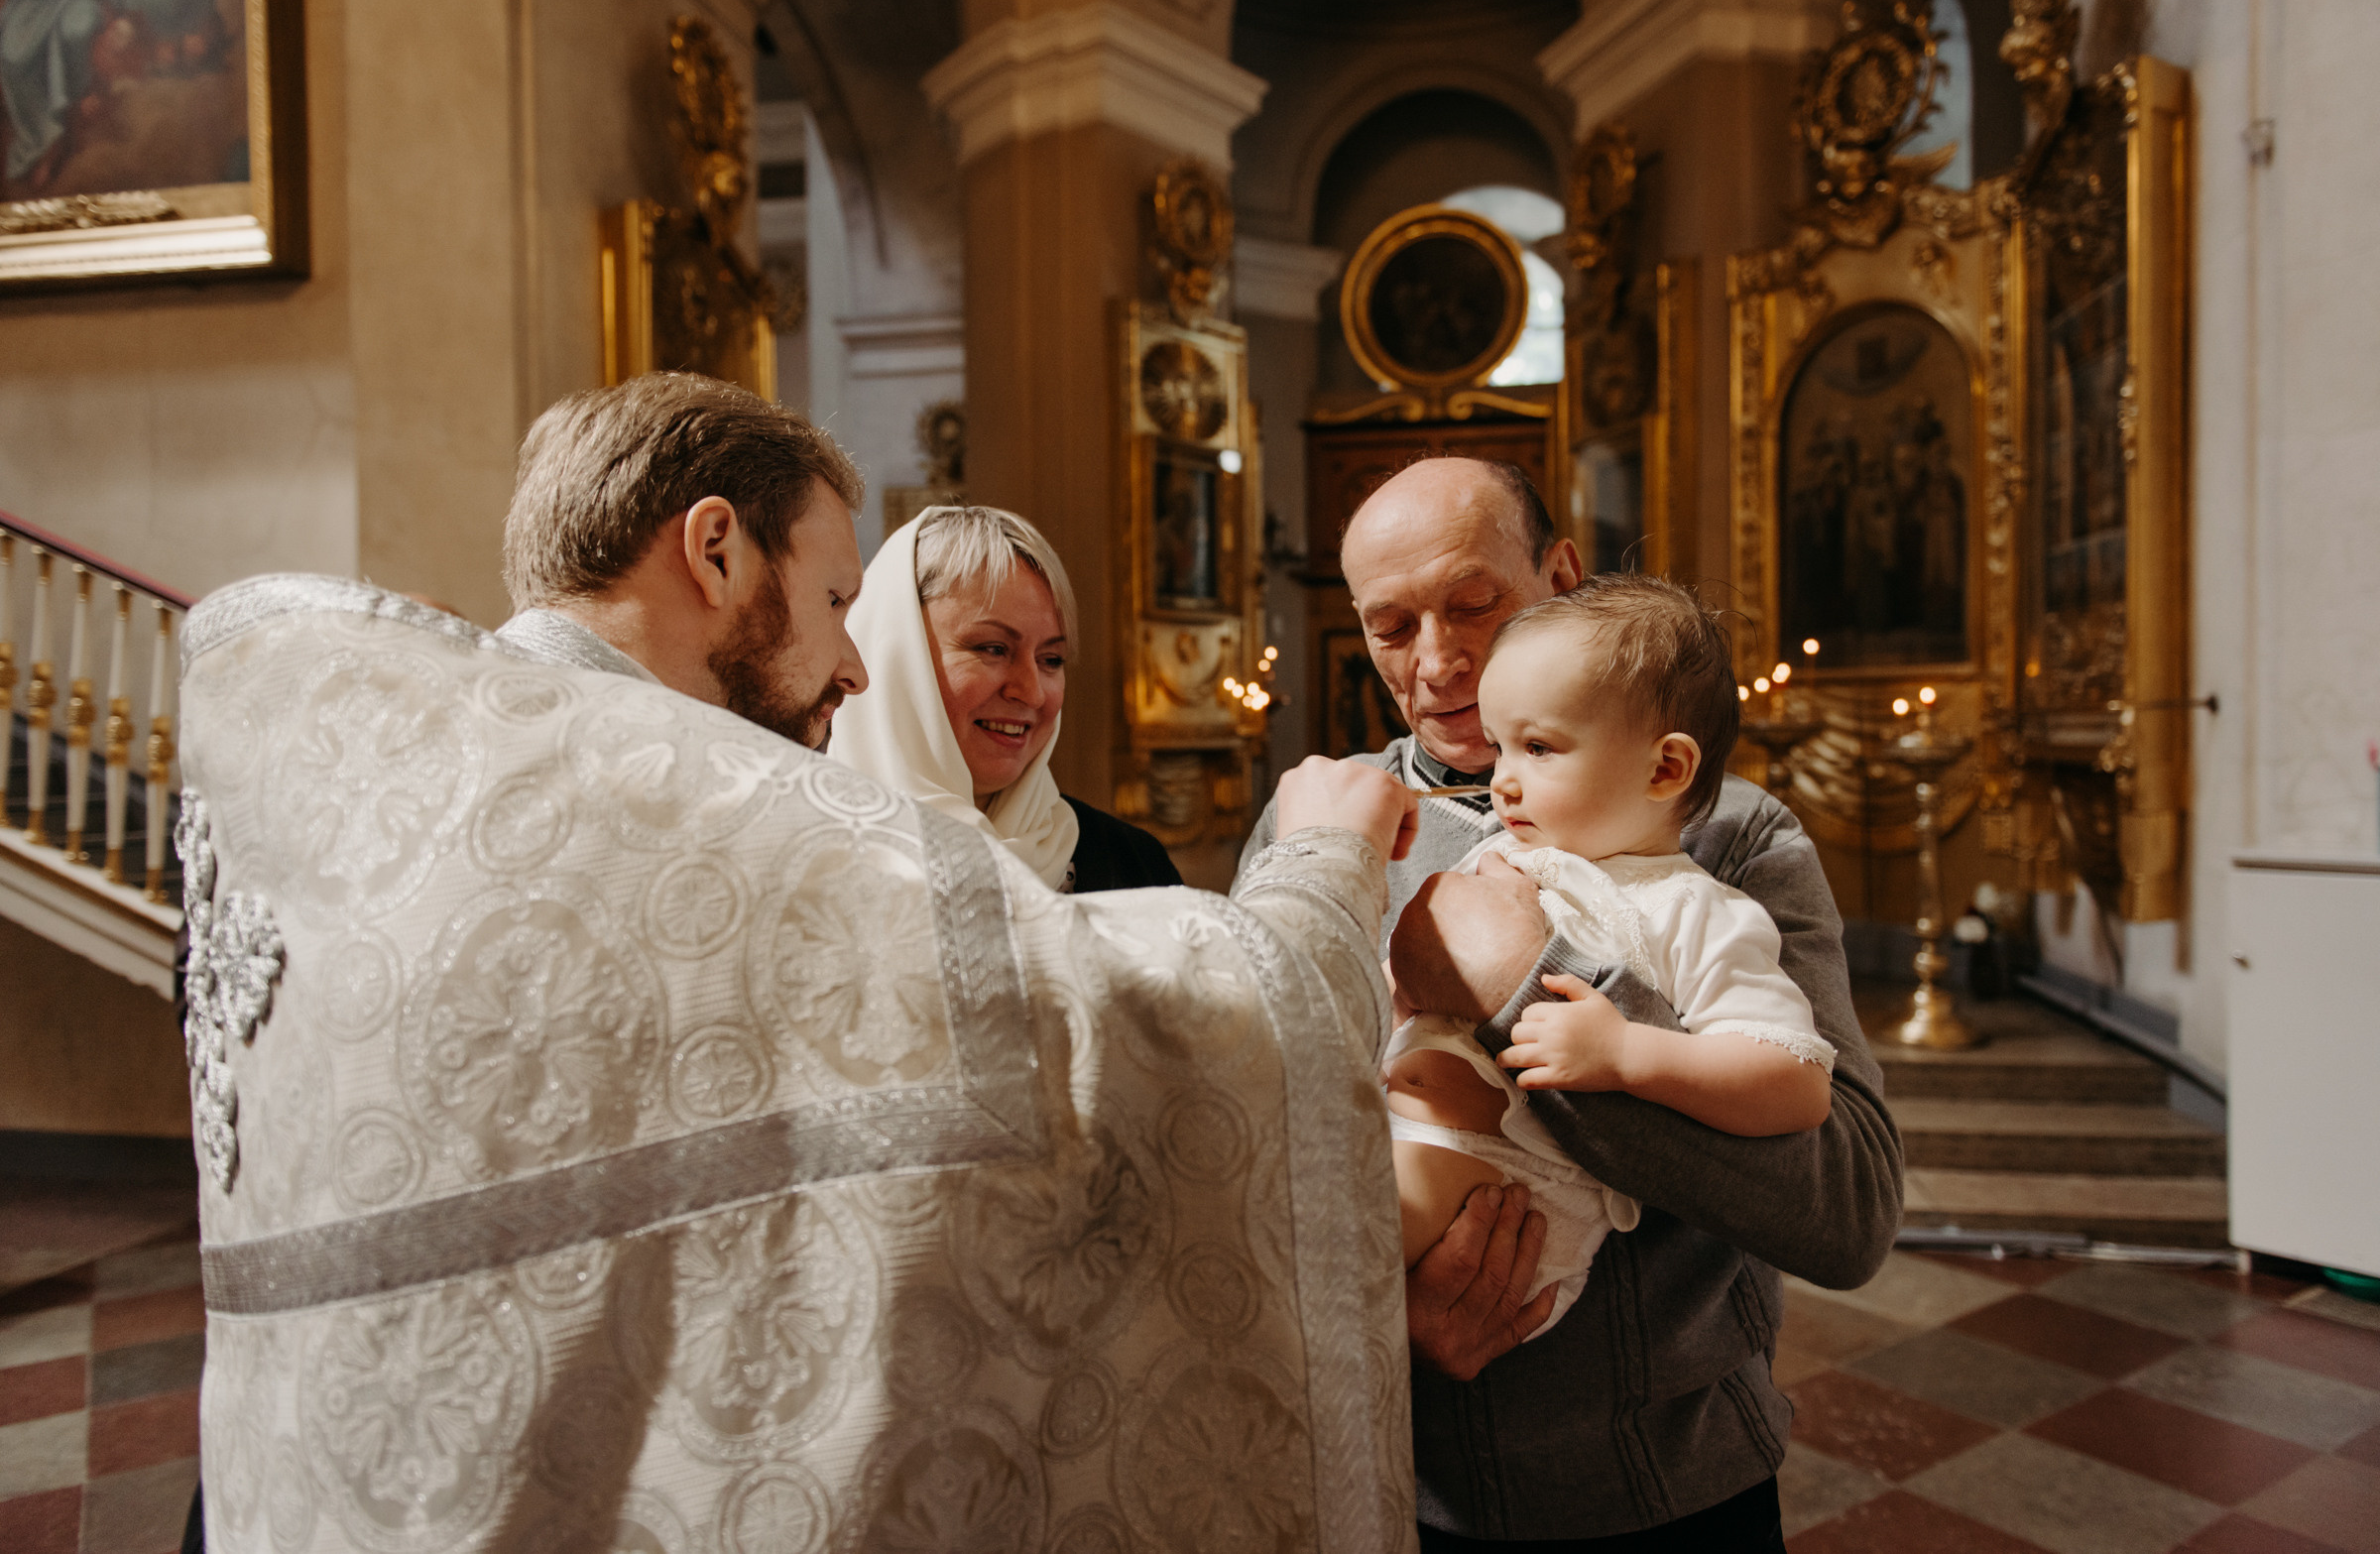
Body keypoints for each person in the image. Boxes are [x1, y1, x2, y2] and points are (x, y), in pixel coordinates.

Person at [177, 374, 1427, 1552]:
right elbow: (1125, 1025)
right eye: (836, 600)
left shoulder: (420, 785)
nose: (850, 662)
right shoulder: (680, 811)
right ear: (715, 549)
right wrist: (1320, 869)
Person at [1239, 455, 1903, 1550]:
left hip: (1664, 1485)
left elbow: (1848, 1212)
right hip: (1382, 1480)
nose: (1440, 663)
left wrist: (1518, 978)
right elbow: (1246, 1138)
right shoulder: (1319, 822)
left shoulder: (1724, 830)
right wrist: (1383, 1321)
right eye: (1390, 626)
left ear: (1561, 570)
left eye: (1474, 605)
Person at [1383, 574, 1833, 1339]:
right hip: (1407, 1132)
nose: (1501, 780)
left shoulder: (1698, 910)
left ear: (1665, 770)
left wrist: (1627, 1051)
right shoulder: (1511, 854)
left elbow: (1797, 1082)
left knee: (1286, 1238)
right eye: (1499, 748)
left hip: (1501, 1182)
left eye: (1538, 747)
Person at [830, 504, 1179, 894]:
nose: (1030, 692)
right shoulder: (805, 863)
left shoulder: (1134, 864)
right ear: (897, 658)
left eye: (1051, 660)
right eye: (993, 649)